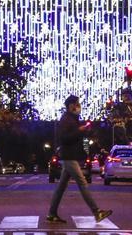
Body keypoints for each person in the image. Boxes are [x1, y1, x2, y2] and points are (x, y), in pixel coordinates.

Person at [46, 95, 112, 225]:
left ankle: (51, 213)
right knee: (82, 183)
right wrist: (79, 131)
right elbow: (64, 138)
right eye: (77, 104)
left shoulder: (72, 119)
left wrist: (84, 130)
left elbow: (75, 136)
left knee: (61, 187)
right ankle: (96, 212)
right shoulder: (66, 119)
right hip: (69, 156)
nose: (79, 106)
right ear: (71, 106)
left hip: (70, 155)